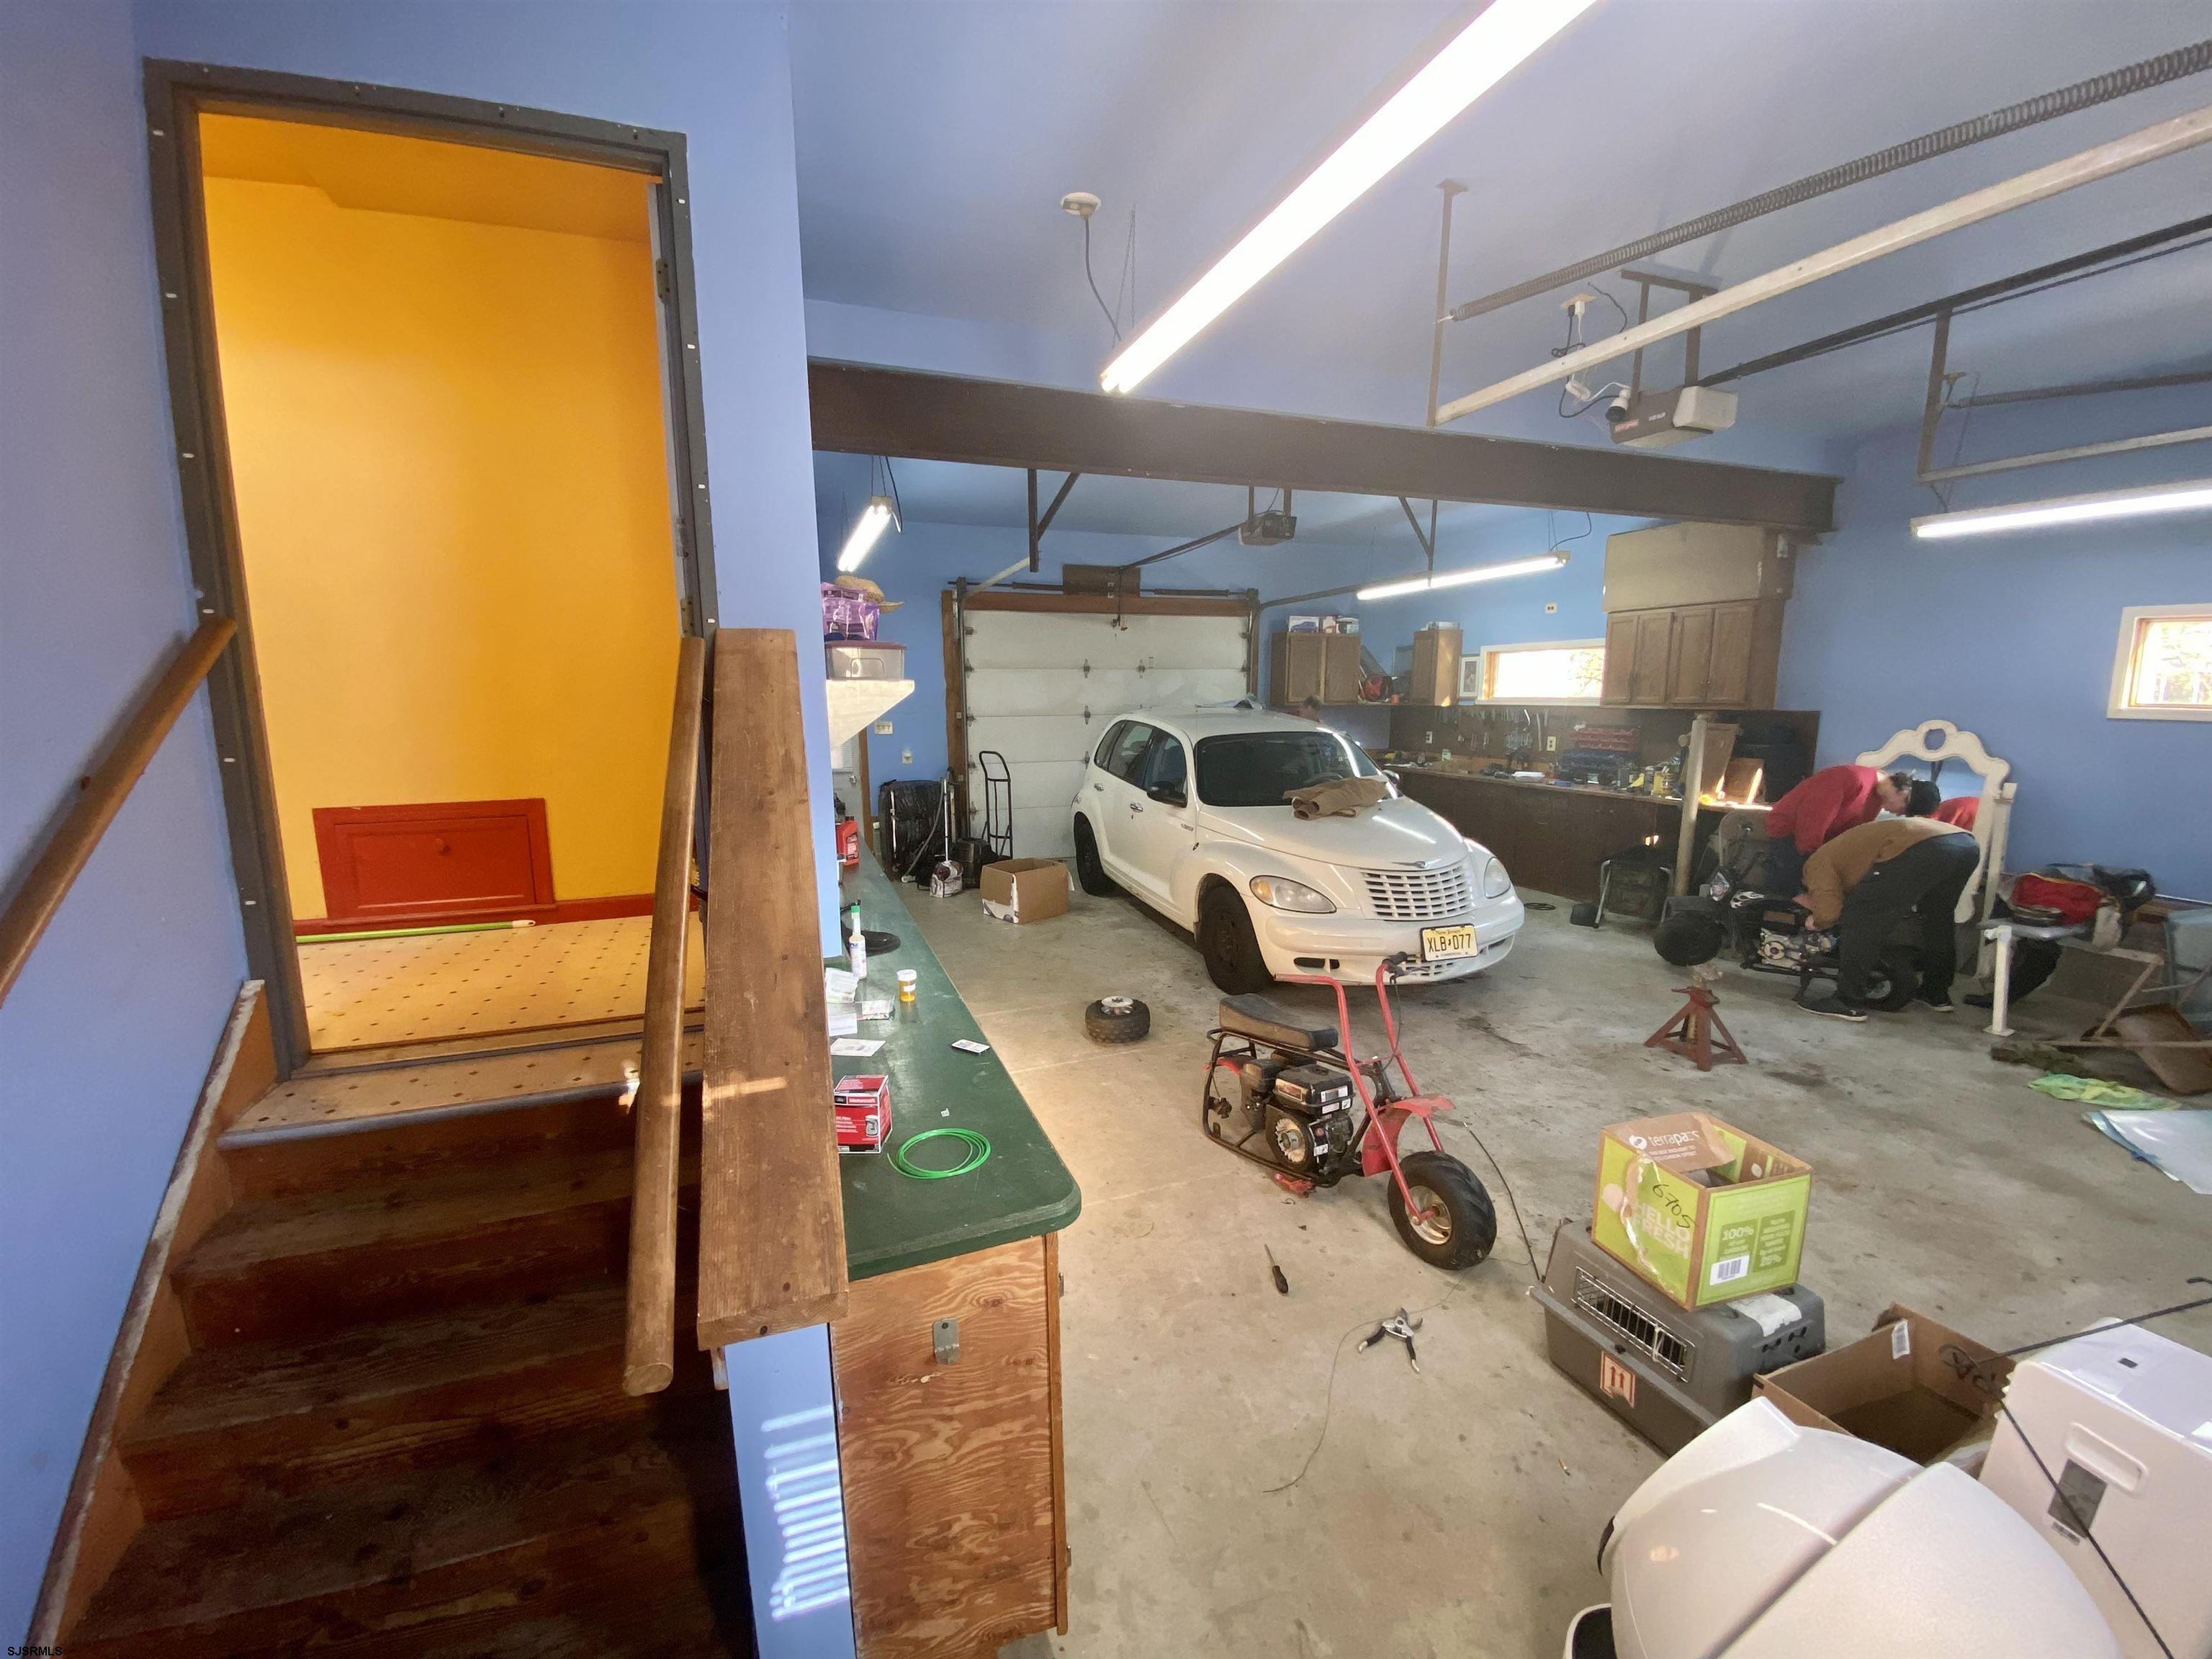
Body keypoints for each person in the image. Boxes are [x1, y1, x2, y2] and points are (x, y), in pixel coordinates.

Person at [1795, 808, 1979, 1022]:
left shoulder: (1816, 864)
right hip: (1964, 844)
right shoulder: (1846, 854)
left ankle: (1847, 1001)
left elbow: (1829, 912)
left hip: (1920, 847)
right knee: (1938, 919)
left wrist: (1815, 922)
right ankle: (1935, 993)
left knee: (1862, 919)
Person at [1756, 765, 1915, 896]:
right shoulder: (1853, 777)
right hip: (1792, 833)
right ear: (1903, 793)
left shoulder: (1876, 800)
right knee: (1788, 892)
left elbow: (1851, 834)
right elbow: (1815, 816)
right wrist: (1813, 860)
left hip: (1819, 844)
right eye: (1904, 808)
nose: (1900, 814)